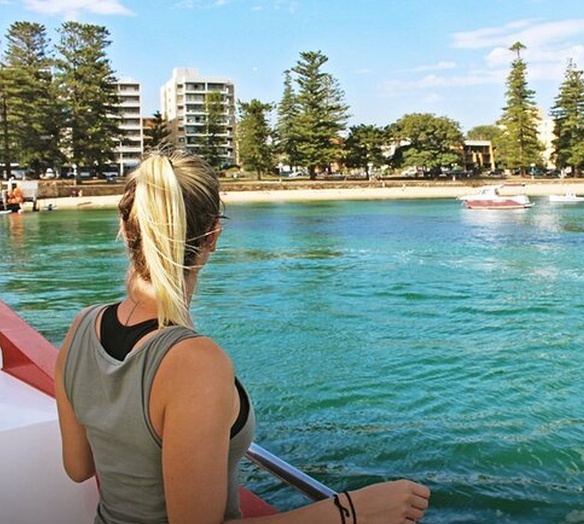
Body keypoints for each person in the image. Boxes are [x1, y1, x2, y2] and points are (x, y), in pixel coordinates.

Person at [54, 150, 430, 524]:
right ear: (214, 235)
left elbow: (78, 466)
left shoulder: (81, 327)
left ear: (124, 226)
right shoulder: (196, 363)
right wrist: (349, 512)